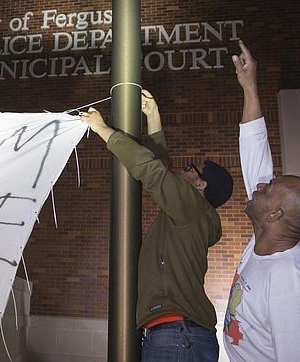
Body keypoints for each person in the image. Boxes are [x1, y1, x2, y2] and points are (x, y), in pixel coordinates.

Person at [80, 90, 234, 361]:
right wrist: (153, 117)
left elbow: (153, 171)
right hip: (183, 334)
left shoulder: (193, 208)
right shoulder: (192, 215)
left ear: (201, 185)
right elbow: (159, 167)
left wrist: (103, 129)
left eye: (190, 168)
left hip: (176, 336)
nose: (183, 170)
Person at [223, 40, 300, 361]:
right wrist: (250, 87)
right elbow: (256, 154)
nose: (260, 186)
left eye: (268, 189)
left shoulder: (290, 283)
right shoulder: (271, 237)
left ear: (274, 215)